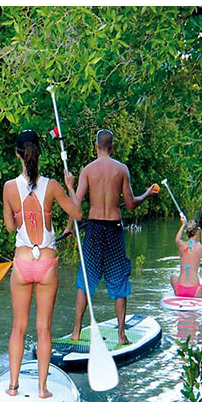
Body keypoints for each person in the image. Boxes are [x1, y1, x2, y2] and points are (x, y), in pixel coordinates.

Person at [2, 130, 81, 399]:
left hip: (22, 261)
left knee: (18, 328)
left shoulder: (9, 188)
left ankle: (13, 387)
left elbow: (10, 226)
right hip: (47, 261)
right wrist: (71, 187)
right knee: (43, 328)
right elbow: (78, 214)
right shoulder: (54, 185)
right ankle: (42, 389)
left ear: (17, 155)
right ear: (39, 153)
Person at [65, 129, 158, 344]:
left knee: (85, 280)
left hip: (94, 228)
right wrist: (146, 194)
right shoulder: (121, 169)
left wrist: (70, 227)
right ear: (112, 147)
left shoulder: (88, 170)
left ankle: (76, 332)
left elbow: (76, 203)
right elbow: (132, 204)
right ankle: (122, 336)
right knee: (118, 278)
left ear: (96, 146)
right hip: (114, 228)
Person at [170, 215, 202, 297]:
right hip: (195, 291)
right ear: (196, 232)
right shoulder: (200, 247)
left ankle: (179, 291)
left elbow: (177, 239)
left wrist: (183, 224)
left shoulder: (181, 245)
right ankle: (201, 294)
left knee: (172, 276)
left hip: (180, 290)